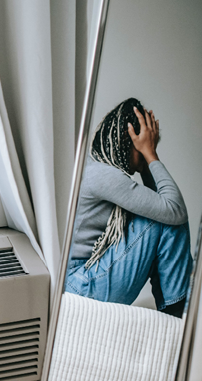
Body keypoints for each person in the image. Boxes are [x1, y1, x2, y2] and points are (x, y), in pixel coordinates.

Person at [65, 97, 192, 318]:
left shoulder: (96, 166)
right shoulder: (105, 176)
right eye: (144, 146)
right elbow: (174, 209)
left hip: (78, 281)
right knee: (168, 220)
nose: (147, 152)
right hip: (80, 286)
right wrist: (150, 156)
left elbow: (164, 204)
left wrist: (145, 164)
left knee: (165, 216)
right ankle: (178, 313)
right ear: (129, 139)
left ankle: (176, 310)